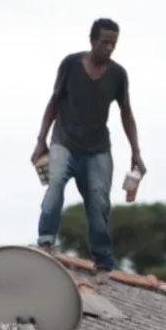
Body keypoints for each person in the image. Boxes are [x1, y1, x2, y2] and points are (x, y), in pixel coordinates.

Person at [31, 18, 145, 283]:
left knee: (98, 201)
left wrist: (136, 151)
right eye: (104, 42)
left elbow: (126, 112)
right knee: (56, 183)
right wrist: (41, 139)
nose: (108, 48)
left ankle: (103, 262)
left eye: (113, 44)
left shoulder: (118, 74)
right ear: (92, 40)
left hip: (97, 149)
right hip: (64, 142)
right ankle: (46, 243)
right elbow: (54, 101)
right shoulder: (71, 64)